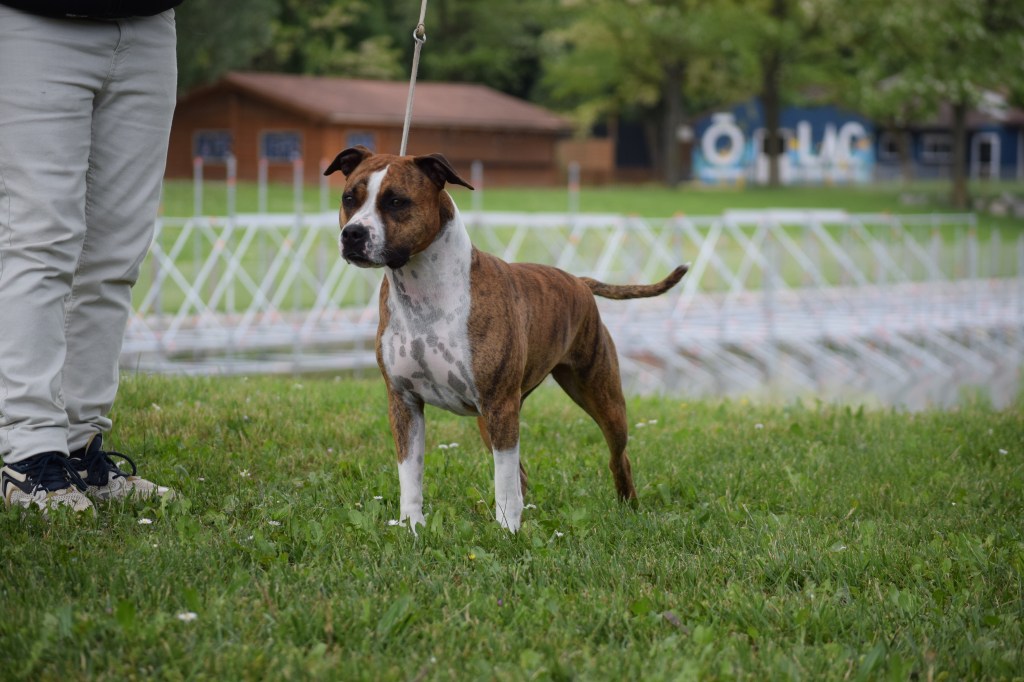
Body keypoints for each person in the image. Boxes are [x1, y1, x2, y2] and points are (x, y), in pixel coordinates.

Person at [0, 0, 183, 512]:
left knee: (115, 255)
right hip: (32, 19)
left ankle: (80, 449)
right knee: (39, 241)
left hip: (150, 24)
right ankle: (29, 455)